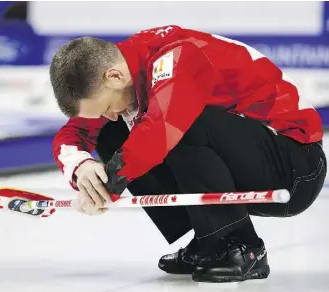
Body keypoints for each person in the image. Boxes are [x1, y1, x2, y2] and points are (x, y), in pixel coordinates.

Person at [48, 25, 326, 283]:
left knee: (180, 124)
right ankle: (210, 239)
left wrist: (106, 186)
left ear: (114, 76)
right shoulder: (116, 74)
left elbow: (162, 129)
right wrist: (82, 168)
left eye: (107, 106)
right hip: (250, 156)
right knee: (111, 134)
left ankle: (242, 246)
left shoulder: (177, 54)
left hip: (295, 166)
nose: (110, 114)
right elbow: (71, 135)